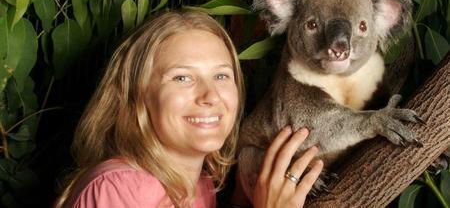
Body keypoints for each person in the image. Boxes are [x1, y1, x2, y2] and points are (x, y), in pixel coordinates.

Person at [54, 11, 323, 208]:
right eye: (182, 78)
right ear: (139, 95)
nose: (210, 96)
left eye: (221, 76)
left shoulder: (201, 186)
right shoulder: (119, 188)